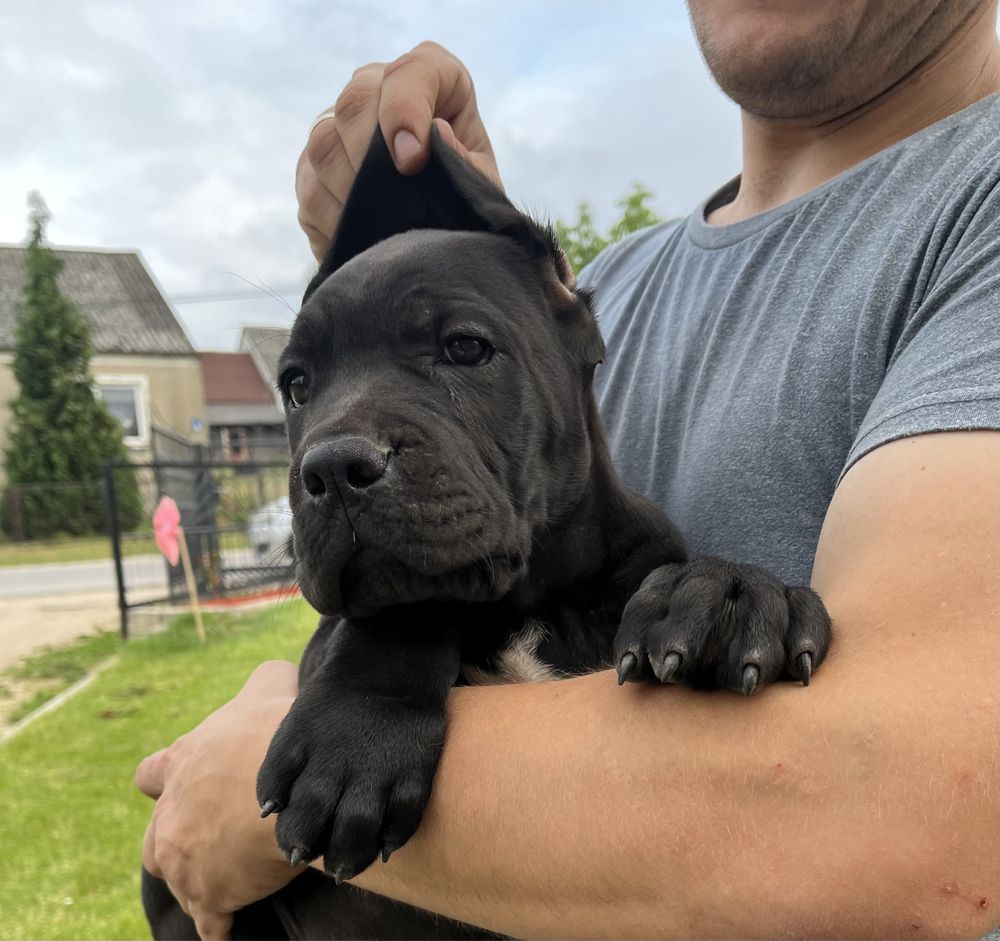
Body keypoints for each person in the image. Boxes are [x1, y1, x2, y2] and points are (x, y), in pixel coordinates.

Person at [136, 2, 1000, 938]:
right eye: (302, 383)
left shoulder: (971, 212)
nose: (334, 438)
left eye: (464, 348)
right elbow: (540, 504)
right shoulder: (622, 281)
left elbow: (901, 827)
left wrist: (267, 788)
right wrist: (468, 253)